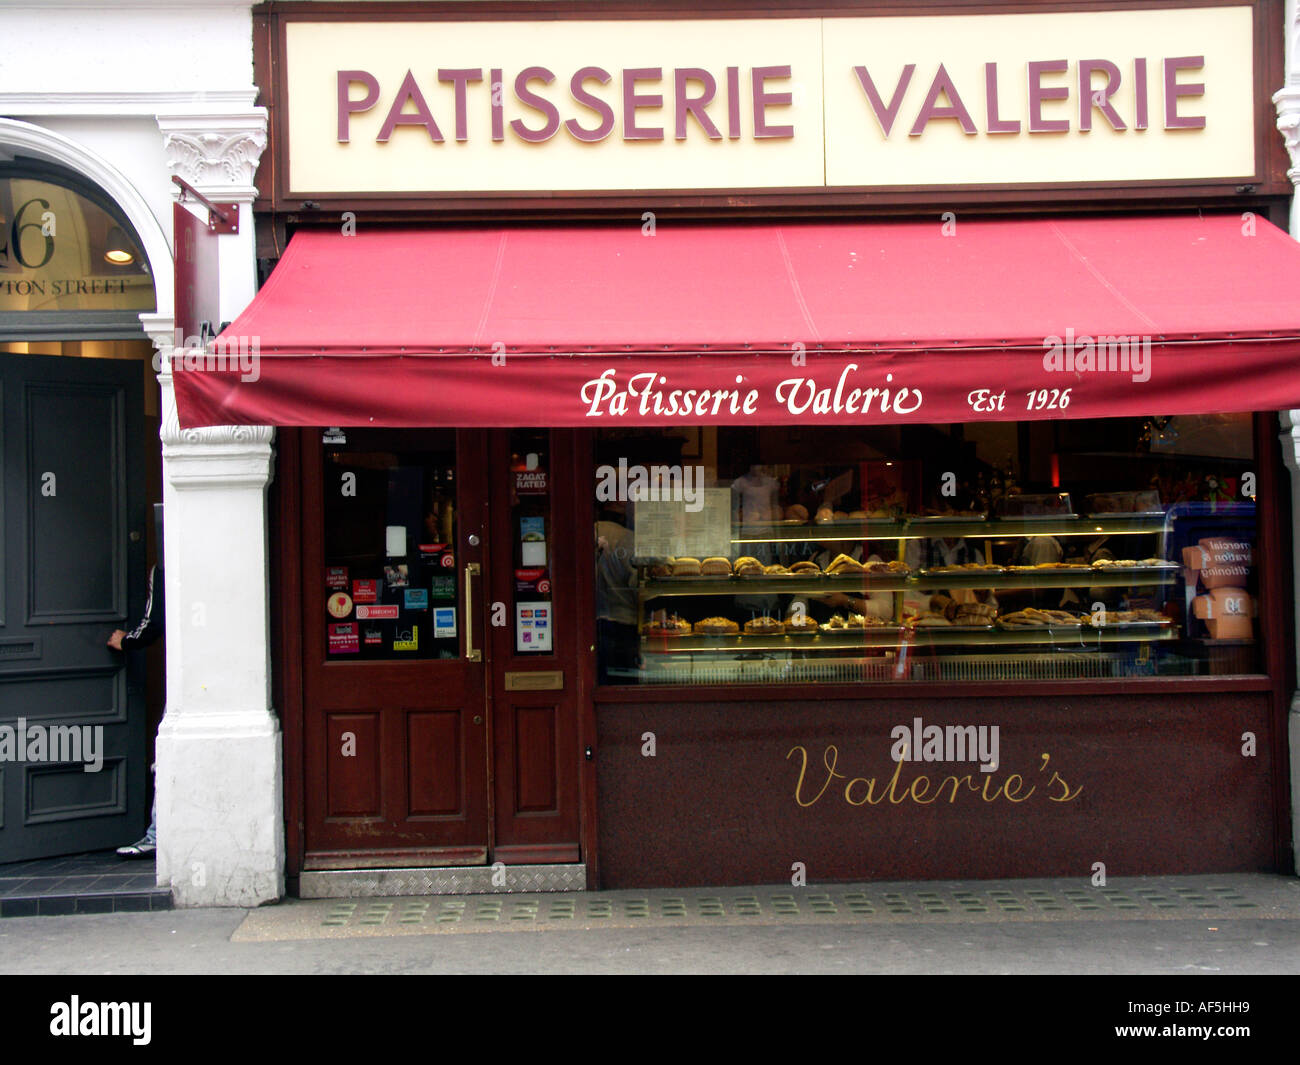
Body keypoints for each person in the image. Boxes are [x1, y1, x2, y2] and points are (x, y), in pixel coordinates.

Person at [107, 562, 163, 858]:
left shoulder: (163, 566)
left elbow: (154, 620)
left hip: (194, 680)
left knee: (167, 755)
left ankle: (157, 835)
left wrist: (126, 641)